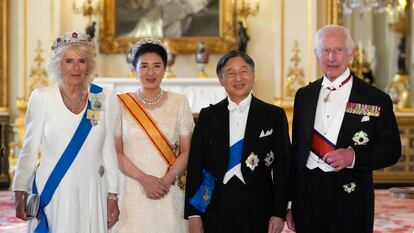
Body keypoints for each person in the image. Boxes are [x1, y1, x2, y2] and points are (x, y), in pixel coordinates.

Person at [286, 24, 401, 233]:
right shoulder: (303, 96)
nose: (331, 57)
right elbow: (297, 153)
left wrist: (353, 156)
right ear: (316, 54)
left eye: (338, 50)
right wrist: (290, 203)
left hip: (351, 196)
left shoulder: (375, 99)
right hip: (307, 196)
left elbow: (392, 150)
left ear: (351, 53)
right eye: (325, 50)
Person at [13, 31, 120, 233]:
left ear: (89, 65)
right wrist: (19, 189)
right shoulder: (42, 98)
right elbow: (29, 148)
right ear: (58, 64)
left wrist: (113, 194)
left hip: (93, 187)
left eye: (82, 61)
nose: (76, 67)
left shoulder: (102, 98)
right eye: (69, 61)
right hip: (54, 189)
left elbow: (108, 149)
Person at [185, 50, 290, 233]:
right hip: (215, 204)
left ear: (253, 75)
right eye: (230, 73)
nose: (238, 78)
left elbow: (283, 168)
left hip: (259, 205)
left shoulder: (273, 115)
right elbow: (195, 166)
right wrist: (194, 214)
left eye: (244, 71)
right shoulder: (207, 116)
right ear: (221, 79)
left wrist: (278, 212)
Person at [113, 38, 195, 233]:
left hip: (169, 190)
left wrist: (166, 181)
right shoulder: (120, 104)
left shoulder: (179, 102)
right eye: (144, 66)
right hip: (133, 189)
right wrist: (144, 179)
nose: (151, 72)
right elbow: (116, 153)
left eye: (157, 66)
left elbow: (187, 151)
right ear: (134, 70)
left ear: (165, 68)